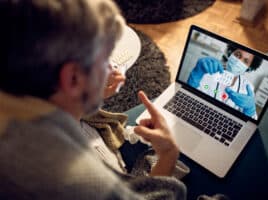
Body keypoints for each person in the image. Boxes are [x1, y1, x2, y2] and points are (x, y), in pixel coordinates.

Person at [0, 0, 185, 199]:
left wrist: (85, 97)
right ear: (72, 78)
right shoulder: (83, 182)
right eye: (105, 60)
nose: (111, 69)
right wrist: (168, 154)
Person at [187, 47, 262, 118]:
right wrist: (196, 74)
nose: (239, 61)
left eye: (245, 61)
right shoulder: (209, 71)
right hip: (200, 114)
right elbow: (190, 98)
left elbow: (250, 124)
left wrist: (250, 110)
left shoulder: (247, 87)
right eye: (237, 55)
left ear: (249, 67)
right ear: (231, 53)